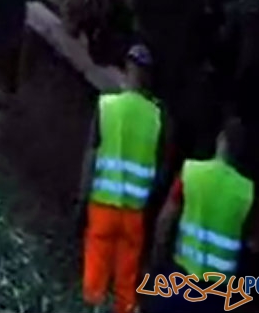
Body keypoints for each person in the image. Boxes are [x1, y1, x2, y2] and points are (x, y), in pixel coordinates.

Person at [79, 43, 171, 313]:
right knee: (126, 275)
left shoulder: (108, 105)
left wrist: (81, 198)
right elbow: (163, 170)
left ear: (127, 68)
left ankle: (91, 307)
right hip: (135, 211)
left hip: (103, 204)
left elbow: (91, 156)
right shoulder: (159, 117)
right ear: (149, 76)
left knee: (96, 267)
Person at [145, 117, 259, 312]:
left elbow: (165, 220)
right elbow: (254, 246)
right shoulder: (249, 194)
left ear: (220, 141)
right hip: (218, 293)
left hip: (181, 279)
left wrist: (157, 260)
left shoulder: (190, 172)